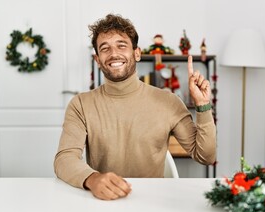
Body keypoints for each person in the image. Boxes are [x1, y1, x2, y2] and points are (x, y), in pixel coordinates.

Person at [54, 13, 216, 201]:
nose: (114, 53)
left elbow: (206, 156)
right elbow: (64, 159)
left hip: (154, 202)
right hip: (102, 201)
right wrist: (93, 179)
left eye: (121, 45)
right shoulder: (81, 104)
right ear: (98, 60)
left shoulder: (168, 101)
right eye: (105, 48)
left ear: (137, 53)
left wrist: (203, 106)